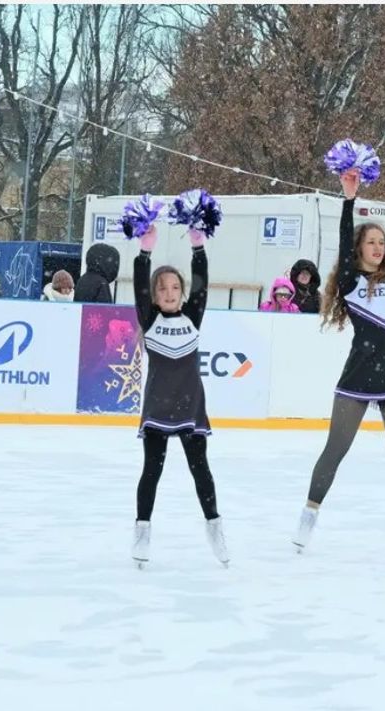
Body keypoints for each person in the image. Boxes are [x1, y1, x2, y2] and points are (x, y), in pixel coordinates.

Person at [292, 166, 385, 555]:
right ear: (359, 249)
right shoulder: (352, 281)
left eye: (381, 243)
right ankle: (308, 515)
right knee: (335, 450)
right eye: (371, 242)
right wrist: (348, 199)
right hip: (359, 376)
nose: (379, 248)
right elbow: (342, 239)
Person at [130, 224, 228, 567]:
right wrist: (144, 253)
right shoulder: (150, 318)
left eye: (175, 287)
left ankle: (214, 527)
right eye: (163, 288)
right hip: (158, 405)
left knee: (200, 469)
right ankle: (142, 532)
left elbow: (201, 284)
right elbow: (139, 287)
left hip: (190, 406)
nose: (170, 292)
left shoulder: (192, 317)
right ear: (155, 296)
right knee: (151, 471)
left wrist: (198, 248)